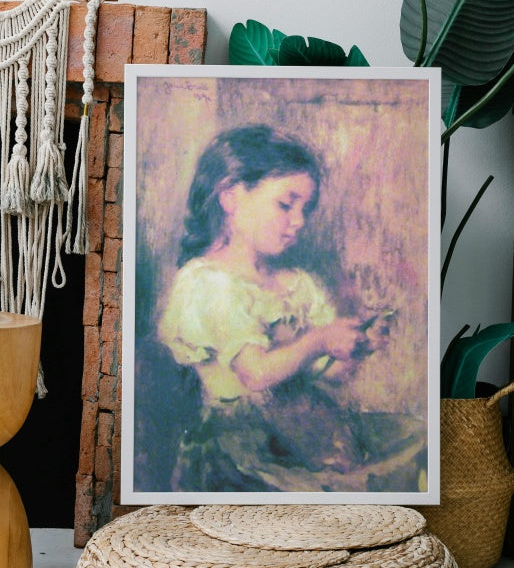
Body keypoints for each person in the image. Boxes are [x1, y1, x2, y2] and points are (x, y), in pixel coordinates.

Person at [156, 124, 426, 493]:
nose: (298, 222)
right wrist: (319, 339)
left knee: (410, 442)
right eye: (286, 204)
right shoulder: (207, 282)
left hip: (300, 432)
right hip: (240, 449)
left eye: (306, 209)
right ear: (231, 197)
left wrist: (354, 345)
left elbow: (327, 373)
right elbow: (256, 374)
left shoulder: (298, 284)